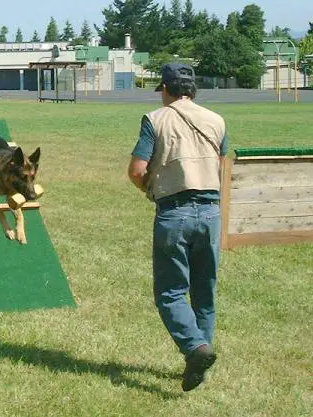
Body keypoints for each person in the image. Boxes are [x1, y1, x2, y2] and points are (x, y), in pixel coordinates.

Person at [127, 63, 229, 392]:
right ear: (193, 89)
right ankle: (200, 359)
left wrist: (150, 189)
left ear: (166, 89)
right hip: (211, 212)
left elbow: (136, 170)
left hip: (174, 212)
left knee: (171, 294)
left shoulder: (156, 119)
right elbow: (223, 166)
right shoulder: (217, 120)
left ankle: (195, 348)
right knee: (204, 293)